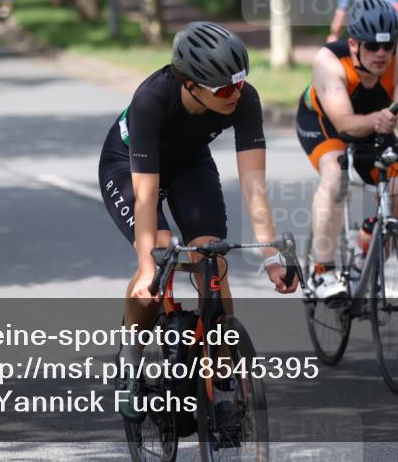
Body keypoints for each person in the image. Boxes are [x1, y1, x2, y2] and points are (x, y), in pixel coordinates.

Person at [98, 21, 297, 419]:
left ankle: (221, 377)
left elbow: (254, 185)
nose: (235, 94)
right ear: (189, 84)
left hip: (189, 163)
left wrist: (272, 257)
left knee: (212, 258)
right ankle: (131, 361)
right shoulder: (151, 99)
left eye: (240, 83)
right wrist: (144, 268)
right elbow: (145, 195)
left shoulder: (243, 99)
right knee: (158, 258)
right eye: (224, 89)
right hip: (128, 167)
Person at [298, 0, 398, 299]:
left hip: (377, 124)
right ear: (354, 43)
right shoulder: (328, 60)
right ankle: (321, 272)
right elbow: (344, 124)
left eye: (389, 46)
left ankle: (365, 266)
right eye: (372, 46)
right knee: (335, 177)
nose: (382, 54)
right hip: (325, 123)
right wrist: (381, 120)